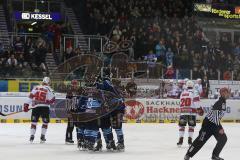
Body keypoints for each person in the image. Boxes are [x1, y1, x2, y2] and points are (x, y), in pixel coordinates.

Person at [184, 87, 230, 160]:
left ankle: (215, 155)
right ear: (223, 93)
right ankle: (188, 155)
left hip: (214, 124)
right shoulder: (220, 102)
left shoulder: (223, 101)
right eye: (228, 93)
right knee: (200, 140)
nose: (229, 94)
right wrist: (220, 128)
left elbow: (216, 118)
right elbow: (215, 117)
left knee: (223, 138)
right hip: (208, 124)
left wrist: (218, 127)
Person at [24, 77, 55, 143]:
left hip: (36, 107)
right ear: (49, 82)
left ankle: (32, 136)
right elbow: (52, 101)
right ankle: (42, 136)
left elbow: (31, 96)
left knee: (34, 123)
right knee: (45, 122)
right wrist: (46, 101)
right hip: (45, 108)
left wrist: (26, 104)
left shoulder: (36, 87)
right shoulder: (49, 89)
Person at [177, 80, 204, 146]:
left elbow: (180, 102)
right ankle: (190, 141)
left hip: (183, 112)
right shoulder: (194, 92)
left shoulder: (183, 93)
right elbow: (196, 101)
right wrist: (199, 109)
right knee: (191, 127)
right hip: (192, 112)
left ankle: (180, 140)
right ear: (193, 85)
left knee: (182, 126)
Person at [65, 79, 81, 144]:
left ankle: (79, 139)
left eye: (76, 84)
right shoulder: (69, 92)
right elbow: (67, 102)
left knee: (79, 126)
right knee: (70, 126)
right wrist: (68, 112)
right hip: (72, 111)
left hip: (79, 111)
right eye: (73, 84)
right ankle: (68, 138)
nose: (75, 85)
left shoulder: (80, 91)